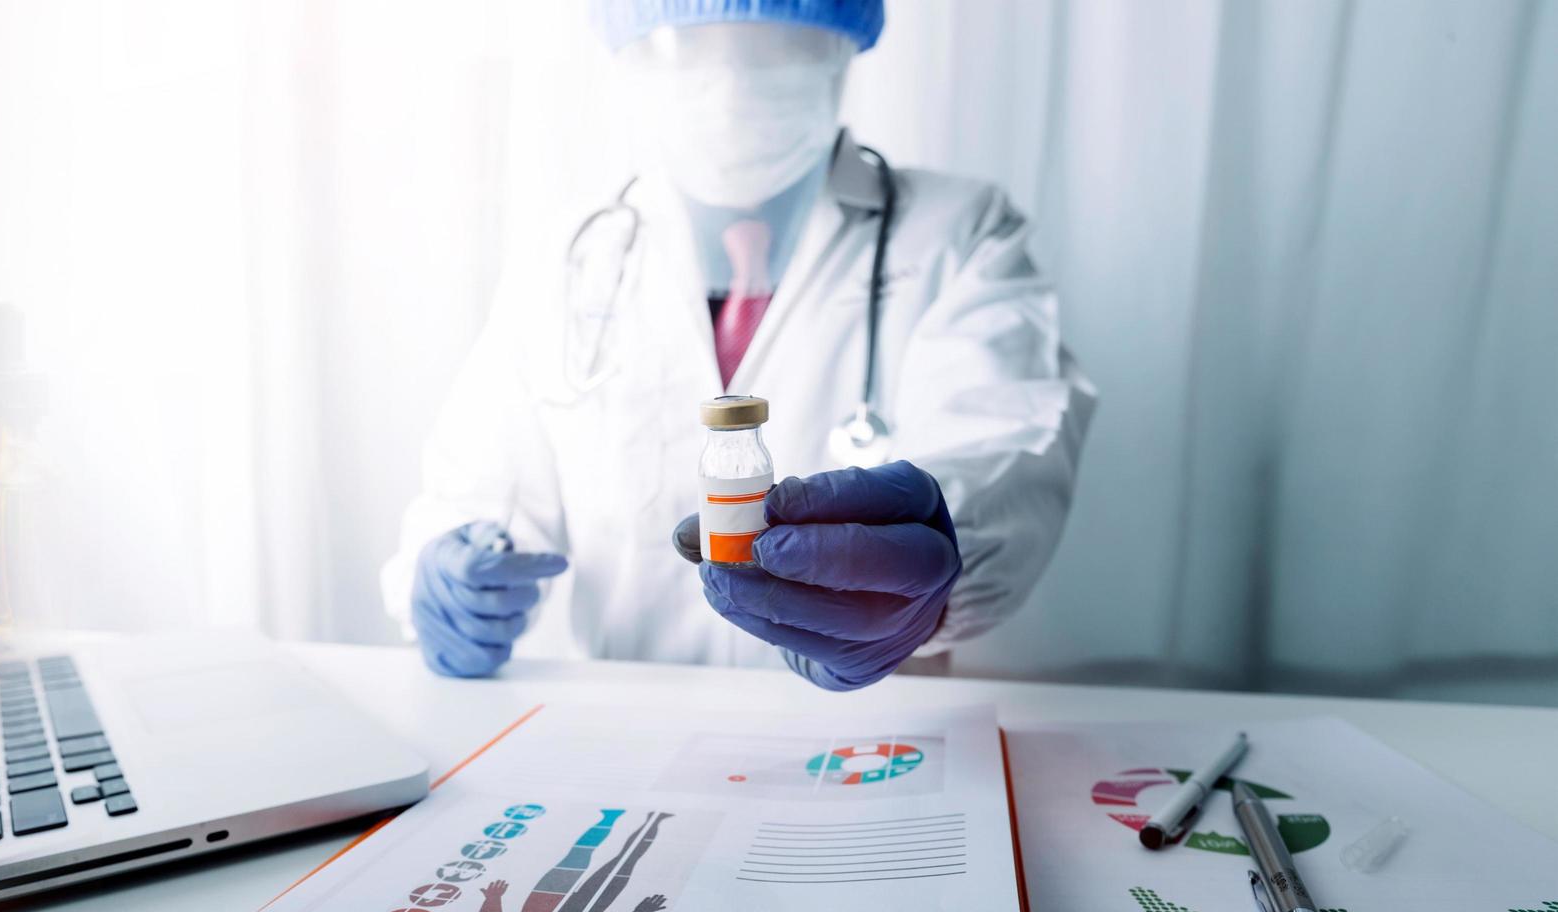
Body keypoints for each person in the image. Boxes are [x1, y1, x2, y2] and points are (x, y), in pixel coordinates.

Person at [386, 0, 1094, 691]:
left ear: (843, 42)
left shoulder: (958, 232)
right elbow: (479, 492)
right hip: (622, 729)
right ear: (631, 54)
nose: (728, 88)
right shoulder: (572, 254)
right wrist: (447, 571)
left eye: (773, 48)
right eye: (688, 48)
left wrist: (932, 556)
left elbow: (1003, 449)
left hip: (866, 735)